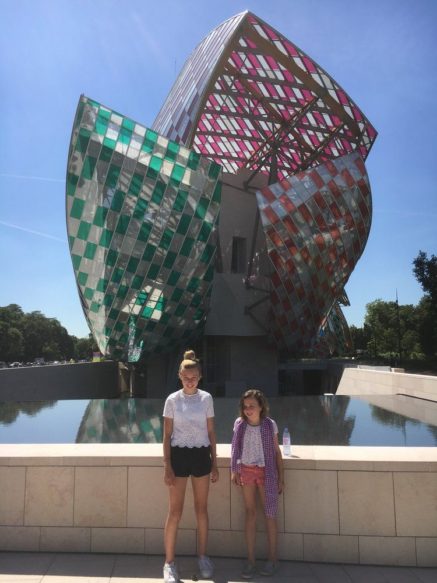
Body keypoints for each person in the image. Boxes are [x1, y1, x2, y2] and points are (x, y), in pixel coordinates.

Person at [162, 350, 219, 583]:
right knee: (175, 511)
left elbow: (211, 432)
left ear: (200, 376)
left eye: (194, 377)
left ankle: (203, 556)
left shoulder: (206, 399)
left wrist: (215, 463)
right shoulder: (172, 400)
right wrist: (167, 465)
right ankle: (169, 563)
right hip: (179, 457)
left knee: (201, 509)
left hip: (201, 457)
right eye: (186, 377)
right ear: (179, 375)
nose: (190, 380)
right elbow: (166, 435)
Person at [231, 389, 284, 579]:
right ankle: (251, 560)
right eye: (245, 406)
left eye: (252, 406)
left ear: (261, 406)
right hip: (246, 470)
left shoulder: (270, 425)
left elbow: (277, 452)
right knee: (250, 513)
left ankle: (272, 559)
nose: (248, 410)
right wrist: (234, 469)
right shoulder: (240, 424)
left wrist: (281, 477)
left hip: (266, 472)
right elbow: (235, 448)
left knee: (270, 514)